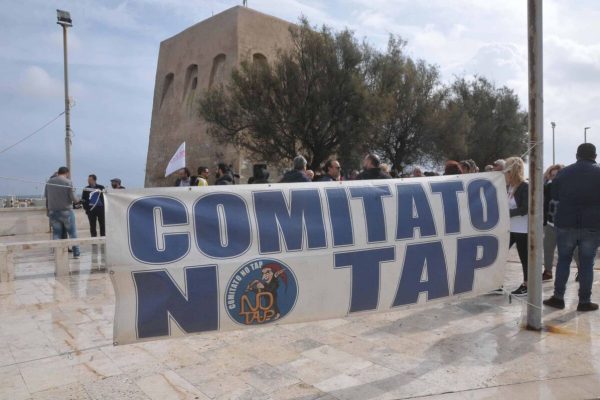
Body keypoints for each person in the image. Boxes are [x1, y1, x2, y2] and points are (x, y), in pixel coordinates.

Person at [544, 143, 600, 312]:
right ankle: (584, 301)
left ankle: (558, 298)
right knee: (587, 263)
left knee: (563, 260)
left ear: (576, 156)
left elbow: (554, 195)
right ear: (595, 156)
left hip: (566, 223)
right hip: (592, 225)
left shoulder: (564, 173)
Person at [505, 157, 529, 296]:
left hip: (522, 229)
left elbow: (525, 208)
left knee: (524, 258)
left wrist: (506, 213)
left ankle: (527, 284)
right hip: (509, 229)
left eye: (507, 169)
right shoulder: (509, 186)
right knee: (499, 254)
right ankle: (497, 283)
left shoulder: (524, 186)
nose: (504, 172)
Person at [45, 167, 80, 258]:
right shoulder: (68, 182)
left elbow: (47, 196)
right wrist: (79, 200)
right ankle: (76, 254)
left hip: (53, 211)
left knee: (56, 234)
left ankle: (58, 254)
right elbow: (74, 199)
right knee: (72, 233)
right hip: (66, 212)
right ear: (67, 173)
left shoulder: (48, 182)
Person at [542, 164, 564, 281]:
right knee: (548, 248)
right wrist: (545, 178)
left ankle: (581, 270)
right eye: (552, 175)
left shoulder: (567, 188)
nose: (554, 177)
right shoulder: (546, 187)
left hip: (566, 225)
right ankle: (548, 271)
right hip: (550, 224)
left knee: (574, 250)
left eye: (557, 175)